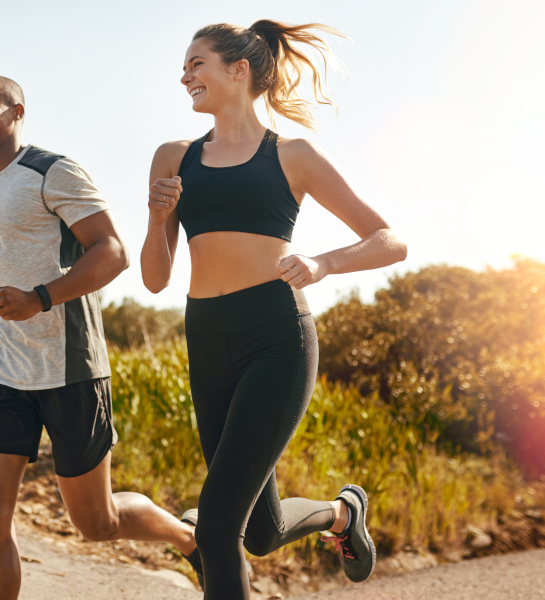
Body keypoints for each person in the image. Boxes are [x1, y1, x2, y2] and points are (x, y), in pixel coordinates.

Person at [141, 20, 408, 599]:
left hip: (275, 336)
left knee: (214, 526)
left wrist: (323, 264)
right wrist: (159, 219)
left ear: (238, 71)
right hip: (206, 337)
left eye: (197, 64)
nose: (184, 75)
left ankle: (338, 516)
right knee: (258, 532)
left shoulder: (292, 155)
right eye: (185, 66)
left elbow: (389, 240)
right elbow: (156, 278)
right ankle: (343, 514)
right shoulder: (173, 156)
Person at [0, 75, 199, 600]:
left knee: (95, 523)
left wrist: (41, 298)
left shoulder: (52, 170)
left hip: (70, 367)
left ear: (16, 110)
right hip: (2, 370)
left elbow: (112, 252)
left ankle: (191, 539)